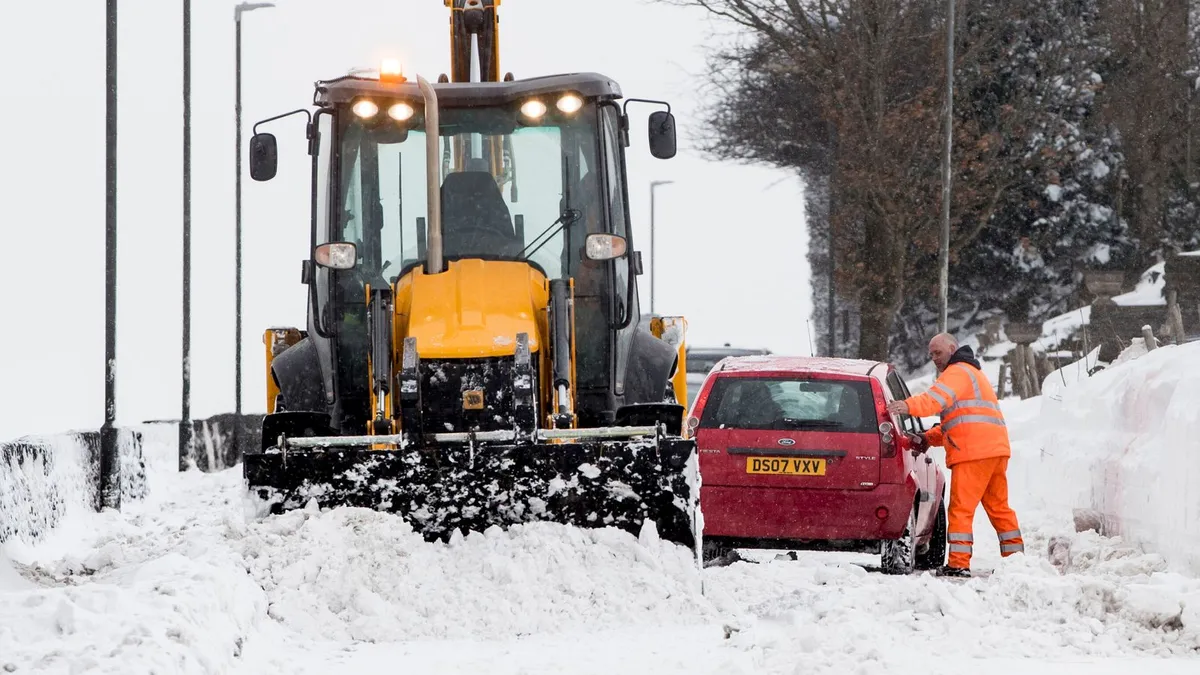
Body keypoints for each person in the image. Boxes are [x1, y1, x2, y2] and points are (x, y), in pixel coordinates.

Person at [886, 332, 1024, 577]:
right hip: (994, 450)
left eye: (937, 353)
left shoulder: (957, 372)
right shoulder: (973, 374)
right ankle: (1017, 561)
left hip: (973, 453)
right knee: (999, 507)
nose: (934, 359)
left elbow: (932, 401)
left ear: (952, 348)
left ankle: (958, 564)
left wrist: (906, 405)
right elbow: (958, 423)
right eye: (931, 355)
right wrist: (929, 438)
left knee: (961, 509)